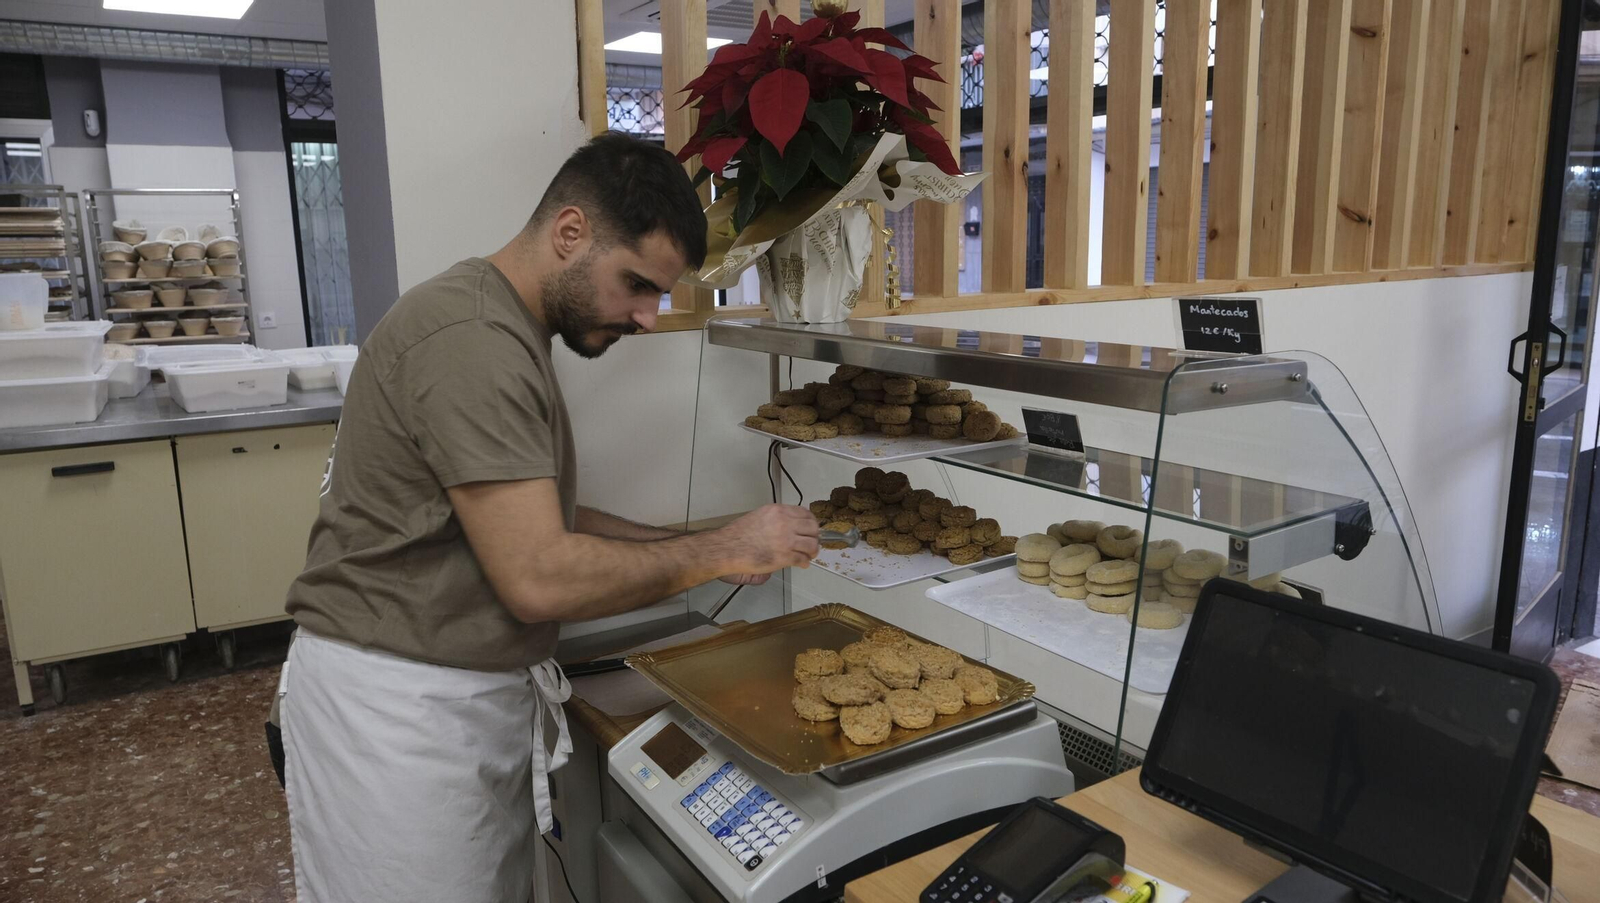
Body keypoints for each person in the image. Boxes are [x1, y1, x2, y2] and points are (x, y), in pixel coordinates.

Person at [277, 133, 820, 903]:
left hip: (450, 695)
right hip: (398, 718)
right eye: (636, 283)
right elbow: (537, 573)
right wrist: (724, 547)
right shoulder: (473, 340)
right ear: (570, 232)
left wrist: (708, 540)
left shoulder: (498, 321)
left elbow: (543, 518)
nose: (645, 317)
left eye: (658, 294)